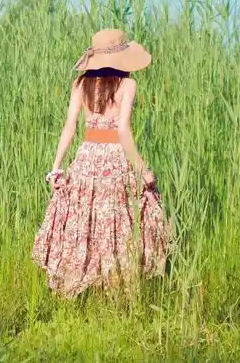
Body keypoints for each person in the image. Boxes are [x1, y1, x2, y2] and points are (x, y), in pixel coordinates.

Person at [31, 28, 172, 299]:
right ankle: (117, 287)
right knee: (118, 220)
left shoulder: (81, 84)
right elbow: (122, 131)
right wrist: (143, 169)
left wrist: (56, 166)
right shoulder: (127, 85)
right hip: (114, 160)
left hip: (86, 158)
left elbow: (70, 126)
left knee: (86, 219)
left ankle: (83, 283)